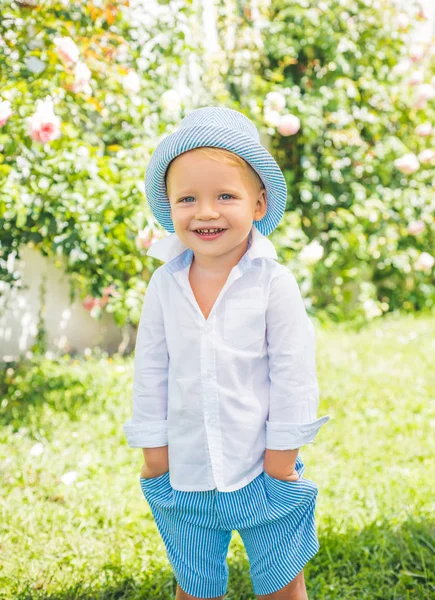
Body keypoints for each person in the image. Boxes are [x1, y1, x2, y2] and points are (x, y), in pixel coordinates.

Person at [123, 106, 331, 600]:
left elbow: (293, 373)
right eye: (188, 198)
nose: (207, 212)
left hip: (262, 469)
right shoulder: (165, 284)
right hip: (185, 473)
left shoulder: (273, 284)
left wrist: (283, 460)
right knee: (194, 585)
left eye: (225, 196)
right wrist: (156, 455)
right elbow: (150, 369)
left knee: (282, 581)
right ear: (170, 207)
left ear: (258, 204)